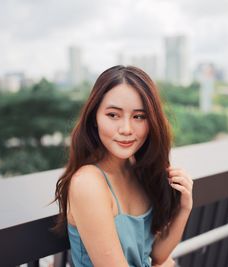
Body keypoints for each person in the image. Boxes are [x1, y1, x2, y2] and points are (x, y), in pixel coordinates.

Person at [54, 65, 193, 267]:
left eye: (139, 117)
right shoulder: (88, 183)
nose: (126, 129)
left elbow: (157, 255)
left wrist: (184, 207)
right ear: (95, 118)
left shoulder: (139, 171)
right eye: (113, 115)